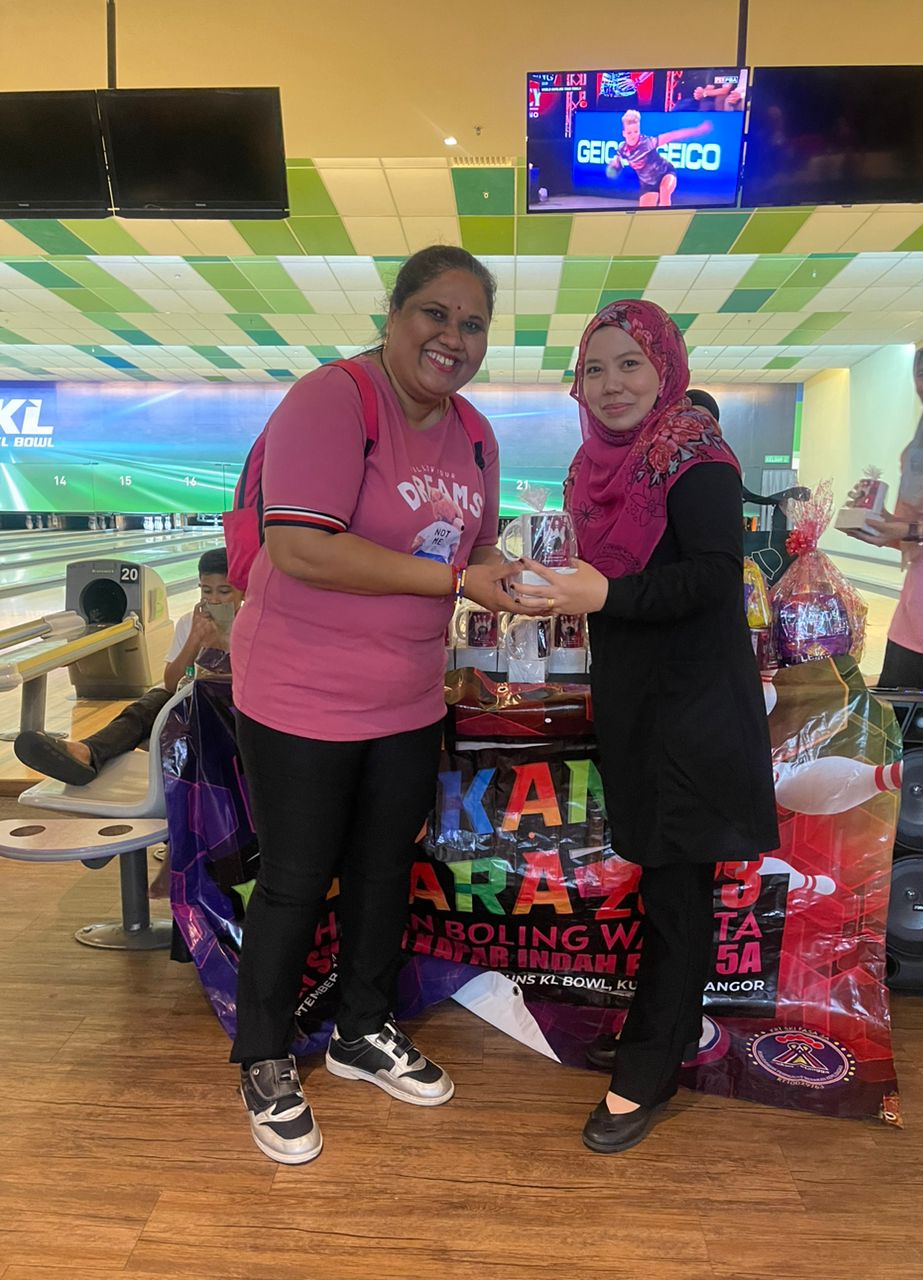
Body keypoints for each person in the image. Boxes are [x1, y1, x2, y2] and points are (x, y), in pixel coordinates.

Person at [228, 245, 530, 1166]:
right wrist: (456, 577)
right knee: (294, 878)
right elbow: (301, 547)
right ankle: (264, 1056)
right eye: (436, 314)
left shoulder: (475, 434)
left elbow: (475, 553)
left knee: (382, 870)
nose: (453, 337)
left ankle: (361, 1029)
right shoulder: (335, 398)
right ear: (394, 316)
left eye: (473, 324)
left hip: (405, 695)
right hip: (301, 692)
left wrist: (513, 576)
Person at [515, 300, 780, 1155]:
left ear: (665, 367)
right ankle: (662, 1031)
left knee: (676, 891)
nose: (612, 383)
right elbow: (602, 586)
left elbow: (713, 577)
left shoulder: (695, 456)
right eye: (594, 368)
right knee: (662, 879)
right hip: (636, 699)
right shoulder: (591, 467)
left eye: (630, 363)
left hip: (694, 708)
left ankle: (650, 1067)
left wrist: (605, 593)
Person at [13, 548, 238, 786]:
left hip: (232, 712)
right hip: (190, 706)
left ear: (243, 589)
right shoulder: (188, 623)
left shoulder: (253, 625)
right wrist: (194, 640)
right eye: (206, 591)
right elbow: (172, 684)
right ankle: (87, 751)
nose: (214, 600)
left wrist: (222, 646)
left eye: (224, 591)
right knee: (151, 703)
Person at [845, 334, 923, 692]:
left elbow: (917, 531)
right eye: (921, 373)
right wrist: (875, 524)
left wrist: (911, 530)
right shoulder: (918, 452)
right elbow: (909, 536)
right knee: (904, 721)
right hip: (920, 620)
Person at [607, 109, 712, 207]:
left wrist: (697, 130)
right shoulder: (622, 149)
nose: (633, 136)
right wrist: (614, 165)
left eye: (636, 131)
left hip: (665, 173)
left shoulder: (648, 143)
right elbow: (616, 161)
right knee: (644, 215)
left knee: (664, 190)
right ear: (624, 133)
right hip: (648, 183)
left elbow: (673, 135)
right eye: (629, 133)